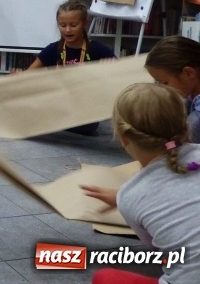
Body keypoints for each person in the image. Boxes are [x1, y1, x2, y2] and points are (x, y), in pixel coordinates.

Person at [82, 83, 200, 284]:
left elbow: (160, 250)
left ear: (123, 137)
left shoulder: (130, 196)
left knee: (105, 277)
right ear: (185, 126)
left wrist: (121, 198)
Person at [0, 0, 115, 134]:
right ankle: (45, 117)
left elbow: (118, 79)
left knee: (89, 127)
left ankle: (38, 117)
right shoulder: (53, 49)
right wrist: (19, 77)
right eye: (62, 25)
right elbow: (29, 75)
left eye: (73, 25)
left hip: (80, 108)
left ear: (84, 23)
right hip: (53, 103)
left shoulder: (98, 49)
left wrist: (108, 70)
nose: (67, 30)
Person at [144, 35, 200, 142]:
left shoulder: (197, 120)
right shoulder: (191, 95)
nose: (161, 88)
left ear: (188, 73)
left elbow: (178, 149)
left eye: (165, 82)